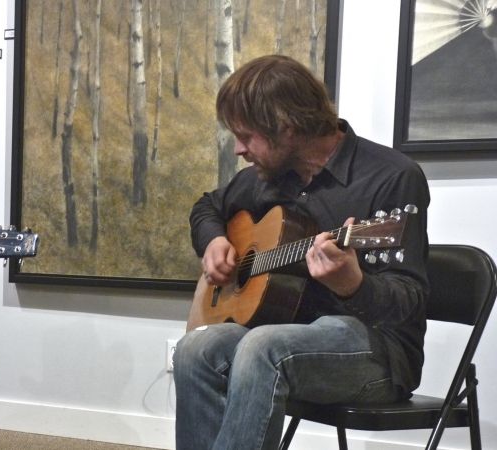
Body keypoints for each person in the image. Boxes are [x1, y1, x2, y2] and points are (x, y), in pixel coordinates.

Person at [174, 55, 430, 450]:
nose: (239, 149)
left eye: (247, 136)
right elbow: (207, 207)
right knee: (195, 348)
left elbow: (409, 302)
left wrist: (353, 286)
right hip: (285, 335)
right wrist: (214, 241)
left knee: (263, 347)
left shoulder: (391, 176)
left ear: (287, 128)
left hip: (378, 353)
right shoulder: (266, 180)